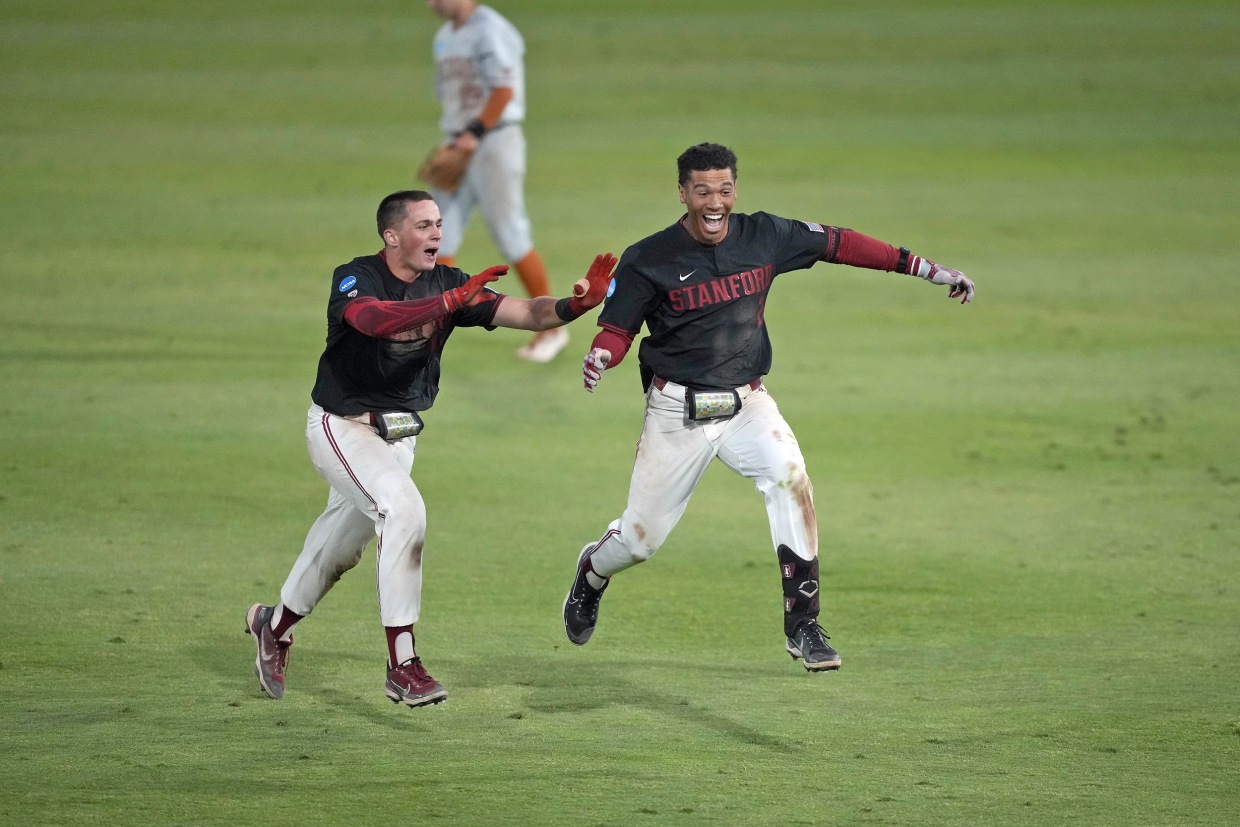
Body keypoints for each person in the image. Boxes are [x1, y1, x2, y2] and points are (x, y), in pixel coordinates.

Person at [562, 143, 975, 672]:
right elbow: (616, 331)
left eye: (726, 189)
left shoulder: (765, 235)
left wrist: (924, 268)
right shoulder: (650, 257)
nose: (716, 202)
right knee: (640, 542)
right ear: (683, 193)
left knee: (789, 475)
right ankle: (592, 571)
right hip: (676, 413)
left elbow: (839, 243)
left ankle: (803, 624)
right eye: (704, 190)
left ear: (736, 190)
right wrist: (601, 356)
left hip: (747, 404)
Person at [246, 190, 616, 708]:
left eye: (439, 224)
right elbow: (372, 320)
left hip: (397, 436)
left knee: (340, 549)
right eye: (424, 225)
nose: (437, 234)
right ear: (391, 235)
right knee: (405, 511)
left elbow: (530, 313)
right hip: (342, 426)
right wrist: (448, 303)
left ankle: (273, 626)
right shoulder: (357, 276)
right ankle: (404, 664)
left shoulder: (449, 282)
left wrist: (578, 304)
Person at [422, 0, 567, 363]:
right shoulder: (444, 37)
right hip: (460, 143)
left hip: (493, 143)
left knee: (509, 233)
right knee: (438, 236)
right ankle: (433, 329)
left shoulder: (491, 30)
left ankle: (553, 329)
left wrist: (474, 131)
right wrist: (459, 138)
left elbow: (504, 90)